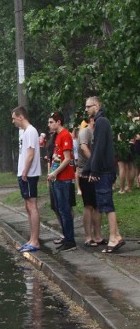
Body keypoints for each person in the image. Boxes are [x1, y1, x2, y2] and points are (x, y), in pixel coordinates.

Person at [83, 96, 125, 253]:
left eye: (89, 106)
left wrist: (94, 170)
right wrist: (88, 169)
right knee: (104, 203)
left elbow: (99, 148)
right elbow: (95, 150)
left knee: (107, 204)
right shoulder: (100, 122)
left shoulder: (101, 122)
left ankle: (114, 237)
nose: (86, 109)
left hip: (104, 171)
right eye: (86, 107)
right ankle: (116, 234)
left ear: (97, 105)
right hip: (104, 170)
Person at [11, 106, 41, 252]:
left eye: (14, 118)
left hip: (29, 174)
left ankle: (35, 240)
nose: (13, 121)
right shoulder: (23, 132)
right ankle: (31, 238)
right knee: (27, 206)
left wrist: (25, 172)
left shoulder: (30, 131)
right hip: (24, 173)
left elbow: (30, 154)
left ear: (20, 117)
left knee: (32, 206)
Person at [47, 111, 77, 252]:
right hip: (57, 178)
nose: (49, 125)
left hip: (63, 178)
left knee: (64, 209)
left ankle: (70, 240)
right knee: (60, 208)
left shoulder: (65, 135)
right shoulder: (58, 136)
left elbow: (67, 158)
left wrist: (55, 173)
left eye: (51, 122)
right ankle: (66, 237)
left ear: (59, 122)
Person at [77, 118, 105, 247]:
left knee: (98, 205)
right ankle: (88, 236)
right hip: (86, 171)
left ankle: (98, 235)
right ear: (92, 120)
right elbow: (84, 147)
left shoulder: (99, 133)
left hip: (97, 172)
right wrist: (95, 162)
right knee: (88, 205)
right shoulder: (85, 132)